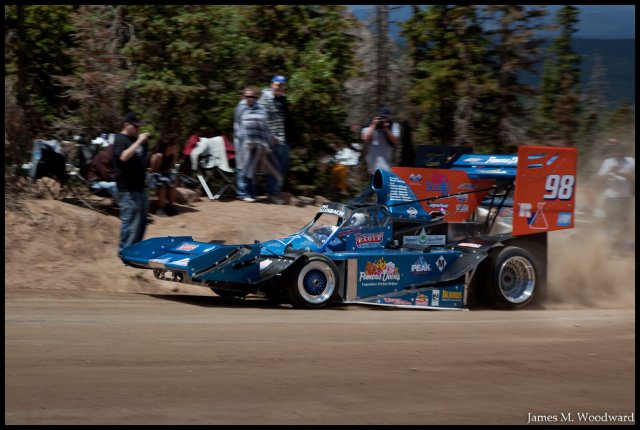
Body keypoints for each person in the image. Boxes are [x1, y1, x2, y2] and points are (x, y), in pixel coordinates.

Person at [113, 112, 151, 255]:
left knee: (141, 222)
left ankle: (136, 250)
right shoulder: (120, 140)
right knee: (130, 222)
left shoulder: (134, 140)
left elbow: (143, 162)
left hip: (140, 186)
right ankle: (124, 251)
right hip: (127, 189)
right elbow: (123, 156)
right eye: (135, 126)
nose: (137, 129)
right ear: (126, 124)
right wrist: (139, 142)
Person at [237, 86, 282, 202]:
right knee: (244, 168)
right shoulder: (240, 108)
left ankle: (253, 193)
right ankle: (244, 193)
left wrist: (271, 138)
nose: (250, 98)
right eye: (248, 96)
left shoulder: (260, 108)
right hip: (243, 143)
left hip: (259, 143)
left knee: (253, 168)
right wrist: (239, 140)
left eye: (252, 96)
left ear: (255, 97)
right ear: (244, 96)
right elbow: (237, 125)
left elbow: (265, 126)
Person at [596, 139, 635, 253]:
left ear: (624, 151)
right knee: (610, 222)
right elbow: (598, 179)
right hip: (611, 197)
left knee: (623, 223)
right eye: (615, 151)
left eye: (619, 151)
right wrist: (608, 172)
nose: (617, 154)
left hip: (625, 198)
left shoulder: (631, 161)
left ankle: (620, 246)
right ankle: (609, 246)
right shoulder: (607, 162)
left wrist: (621, 173)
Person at [258, 74, 290, 204]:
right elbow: (261, 120)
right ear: (272, 84)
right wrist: (270, 136)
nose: (279, 87)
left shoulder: (282, 99)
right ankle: (272, 193)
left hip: (284, 138)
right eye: (277, 84)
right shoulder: (265, 99)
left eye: (281, 85)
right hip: (272, 139)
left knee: (282, 167)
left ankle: (276, 191)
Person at [361, 106, 400, 174]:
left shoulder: (393, 126)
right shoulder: (370, 126)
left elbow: (396, 141)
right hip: (373, 168)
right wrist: (373, 125)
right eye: (380, 118)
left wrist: (386, 129)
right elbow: (365, 137)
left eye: (384, 118)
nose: (382, 120)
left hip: (387, 168)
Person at [149, 133, 180, 217]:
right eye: (175, 145)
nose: (177, 147)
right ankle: (160, 208)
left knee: (173, 182)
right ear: (169, 146)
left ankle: (171, 205)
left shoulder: (174, 155)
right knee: (162, 184)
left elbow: (171, 168)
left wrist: (173, 176)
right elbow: (153, 171)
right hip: (155, 174)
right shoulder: (159, 156)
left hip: (166, 173)